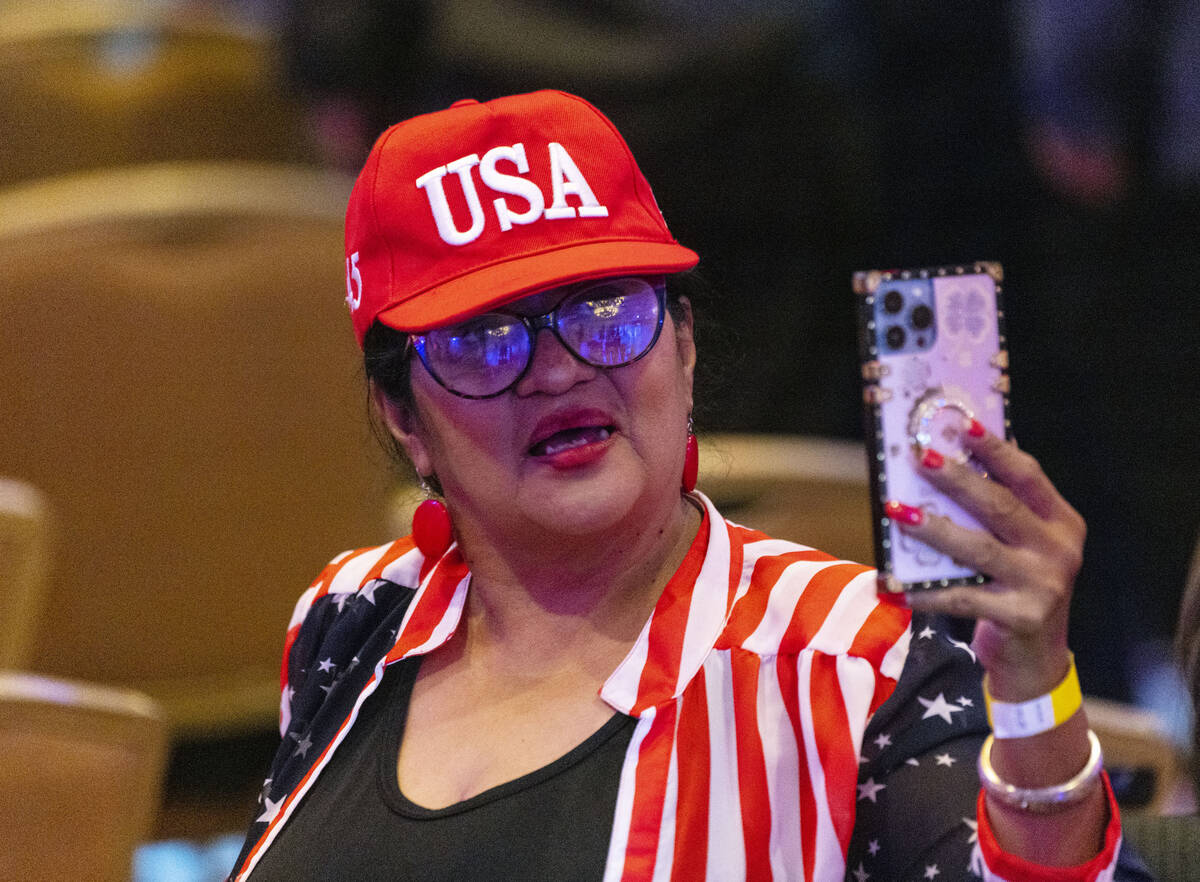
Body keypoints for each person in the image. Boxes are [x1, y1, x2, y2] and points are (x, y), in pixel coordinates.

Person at [227, 90, 1143, 880]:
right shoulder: (350, 616)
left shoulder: (850, 661)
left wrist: (1033, 689)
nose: (558, 370)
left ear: (685, 343)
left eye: (605, 312)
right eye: (484, 340)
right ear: (402, 417)